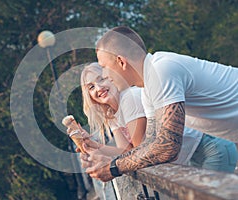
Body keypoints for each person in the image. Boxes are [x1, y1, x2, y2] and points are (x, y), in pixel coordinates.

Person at [82, 26, 238, 182]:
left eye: (104, 68)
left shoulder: (161, 70)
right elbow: (151, 143)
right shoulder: (148, 88)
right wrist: (105, 157)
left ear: (121, 62)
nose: (105, 76)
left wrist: (114, 167)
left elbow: (168, 147)